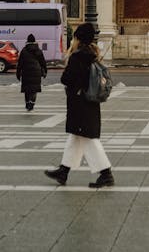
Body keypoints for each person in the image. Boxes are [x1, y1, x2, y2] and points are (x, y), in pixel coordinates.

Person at [44, 23, 115, 189]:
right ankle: (64, 170)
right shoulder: (92, 55)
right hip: (88, 103)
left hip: (80, 104)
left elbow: (66, 79)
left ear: (78, 39)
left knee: (89, 139)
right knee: (76, 137)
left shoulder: (78, 57)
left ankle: (106, 174)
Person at [16, 34, 47, 111]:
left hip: (26, 72)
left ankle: (27, 103)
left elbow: (20, 64)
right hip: (36, 72)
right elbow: (43, 62)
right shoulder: (39, 50)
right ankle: (32, 103)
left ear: (27, 41)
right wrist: (45, 71)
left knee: (27, 89)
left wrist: (18, 73)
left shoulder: (24, 51)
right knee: (34, 89)